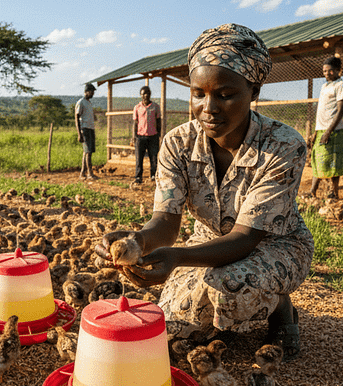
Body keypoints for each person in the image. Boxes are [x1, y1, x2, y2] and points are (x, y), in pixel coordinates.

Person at [95, 24, 314, 359]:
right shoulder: (177, 143)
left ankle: (280, 307)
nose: (208, 107)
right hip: (208, 242)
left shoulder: (283, 145)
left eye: (225, 95)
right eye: (198, 94)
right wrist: (137, 241)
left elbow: (246, 238)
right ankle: (232, 312)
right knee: (176, 328)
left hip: (274, 245)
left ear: (253, 91)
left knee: (230, 286)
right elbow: (165, 222)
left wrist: (177, 258)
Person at [308, 56, 343, 199]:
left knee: (333, 161)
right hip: (321, 129)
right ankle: (312, 191)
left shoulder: (341, 86)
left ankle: (334, 193)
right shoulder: (325, 86)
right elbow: (321, 110)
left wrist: (328, 132)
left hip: (333, 130)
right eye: (324, 71)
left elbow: (340, 110)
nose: (327, 74)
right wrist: (316, 131)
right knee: (317, 159)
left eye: (330, 71)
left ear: (338, 70)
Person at [131, 85, 162, 184]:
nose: (145, 95)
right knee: (139, 158)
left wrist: (159, 135)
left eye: (147, 93)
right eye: (143, 94)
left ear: (150, 94)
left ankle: (153, 176)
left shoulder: (155, 107)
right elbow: (135, 123)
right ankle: (138, 177)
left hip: (153, 136)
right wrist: (134, 137)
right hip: (140, 137)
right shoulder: (137, 107)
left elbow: (159, 121)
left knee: (153, 158)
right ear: (140, 95)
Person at [75, 83, 97, 180]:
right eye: (91, 92)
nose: (93, 94)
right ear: (86, 92)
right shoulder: (81, 102)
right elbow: (76, 117)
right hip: (84, 129)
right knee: (88, 151)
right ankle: (90, 174)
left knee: (87, 151)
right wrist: (79, 133)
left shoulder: (89, 103)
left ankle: (82, 173)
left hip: (90, 128)